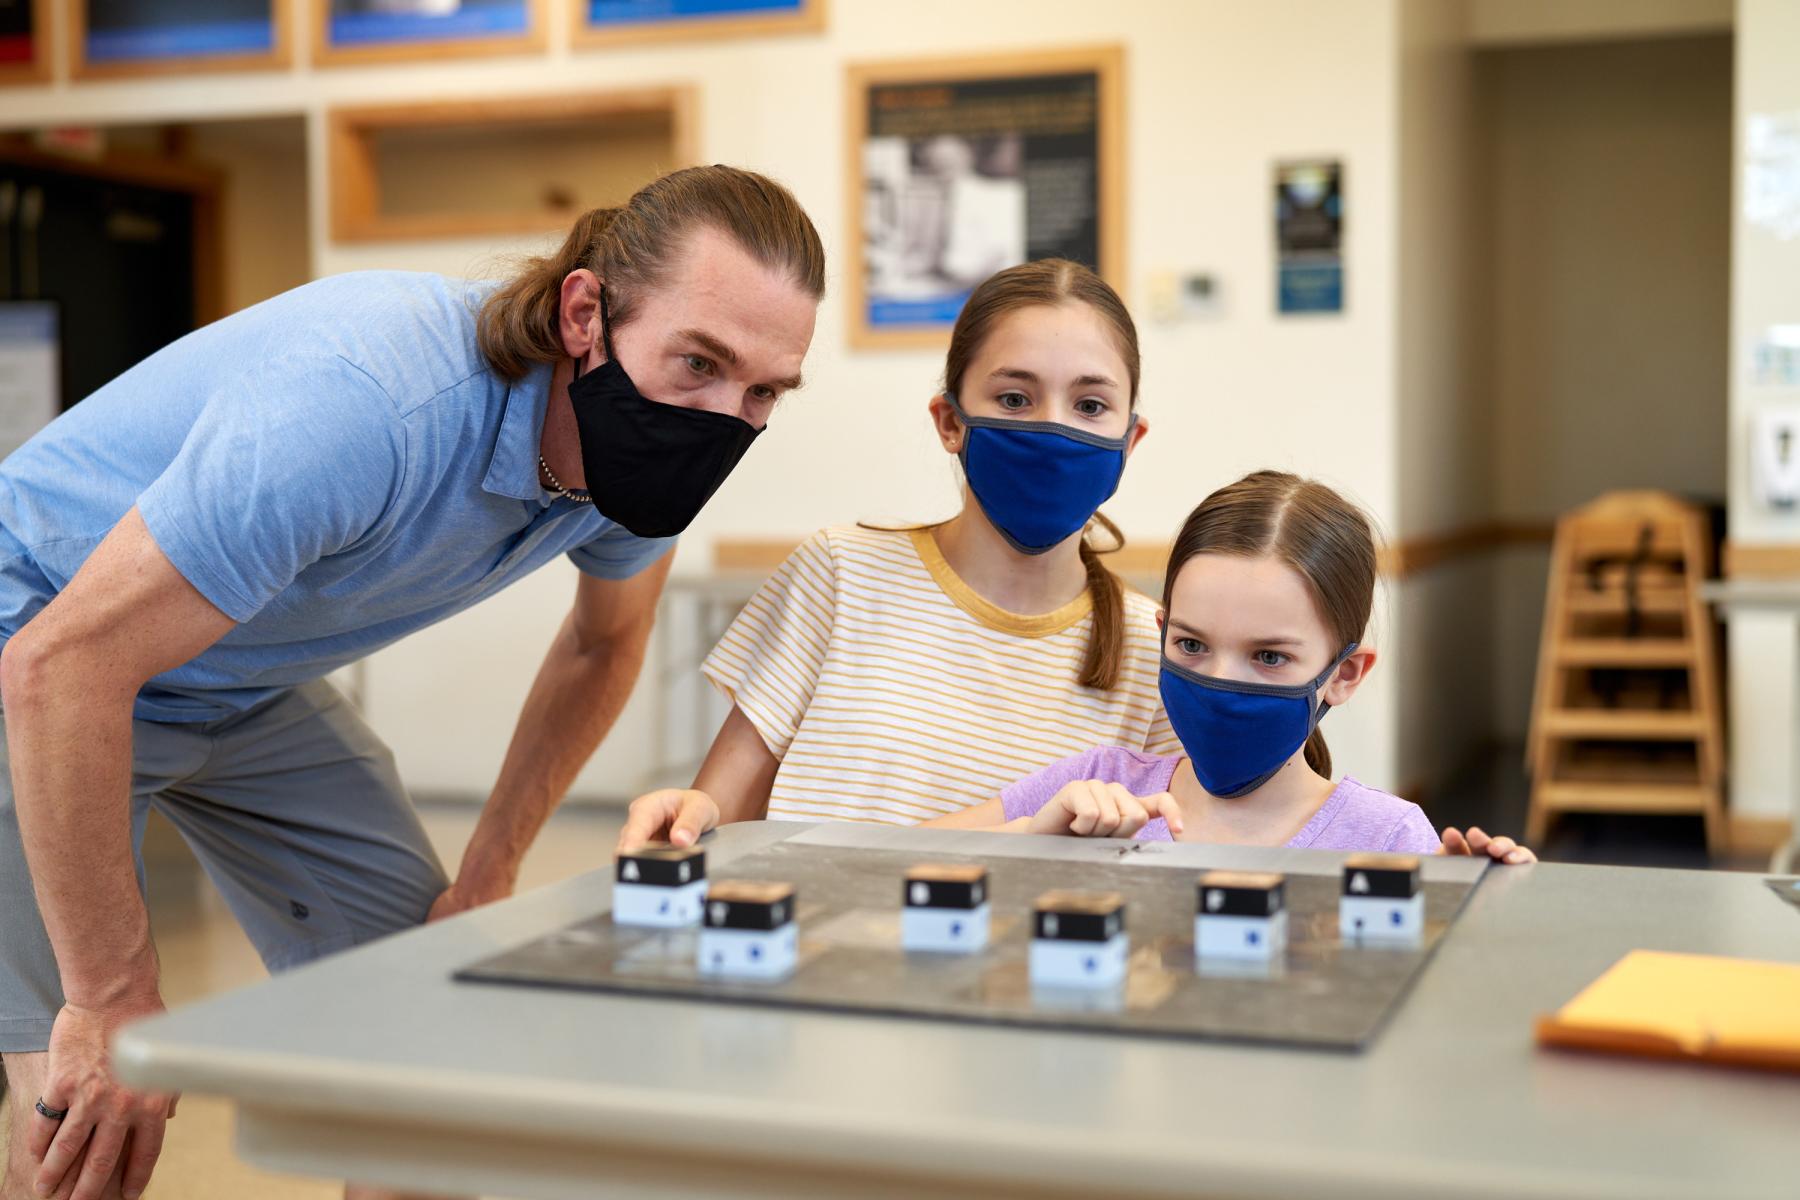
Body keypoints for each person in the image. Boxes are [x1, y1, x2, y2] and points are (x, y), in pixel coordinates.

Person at [0, 165, 824, 1200]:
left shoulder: (642, 466)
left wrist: (485, 876)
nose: (723, 415)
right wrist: (110, 994)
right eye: (697, 361)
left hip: (237, 679)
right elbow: (60, 664)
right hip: (33, 644)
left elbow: (602, 643)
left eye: (761, 391)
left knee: (424, 1049)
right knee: (92, 1108)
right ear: (585, 314)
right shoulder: (373, 402)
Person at [618, 259, 1178, 851]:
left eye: (1090, 406)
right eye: (1014, 398)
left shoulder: (1156, 648)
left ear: (1129, 440)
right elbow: (719, 816)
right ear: (950, 423)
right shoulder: (840, 572)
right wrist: (687, 813)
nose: (1052, 429)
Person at [932, 470, 1536, 865]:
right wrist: (1037, 839)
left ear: (1345, 674)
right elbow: (886, 861)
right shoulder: (1098, 785)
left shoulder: (1388, 838)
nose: (1222, 681)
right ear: (1162, 632)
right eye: (1192, 645)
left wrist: (1484, 909)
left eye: (1269, 656)